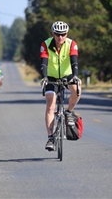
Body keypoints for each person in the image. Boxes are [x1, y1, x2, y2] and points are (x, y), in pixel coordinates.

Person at [40, 21, 82, 151]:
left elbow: (74, 62)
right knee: (50, 105)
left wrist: (75, 76)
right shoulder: (46, 44)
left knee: (77, 90)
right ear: (53, 33)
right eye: (57, 34)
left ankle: (68, 112)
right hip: (51, 76)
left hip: (67, 74)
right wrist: (45, 77)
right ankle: (51, 138)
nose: (60, 37)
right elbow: (44, 63)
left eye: (63, 34)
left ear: (67, 34)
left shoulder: (71, 44)